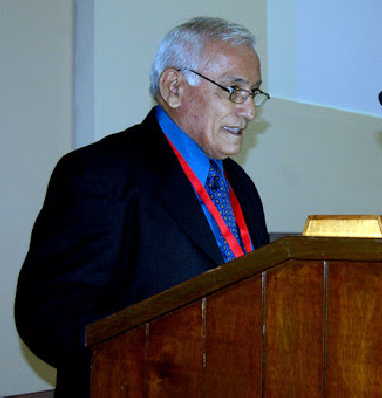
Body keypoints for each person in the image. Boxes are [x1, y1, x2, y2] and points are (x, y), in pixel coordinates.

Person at [15, 17, 269, 397]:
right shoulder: (101, 172)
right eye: (233, 90)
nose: (248, 110)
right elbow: (48, 319)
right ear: (174, 87)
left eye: (253, 93)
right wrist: (164, 361)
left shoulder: (240, 185)